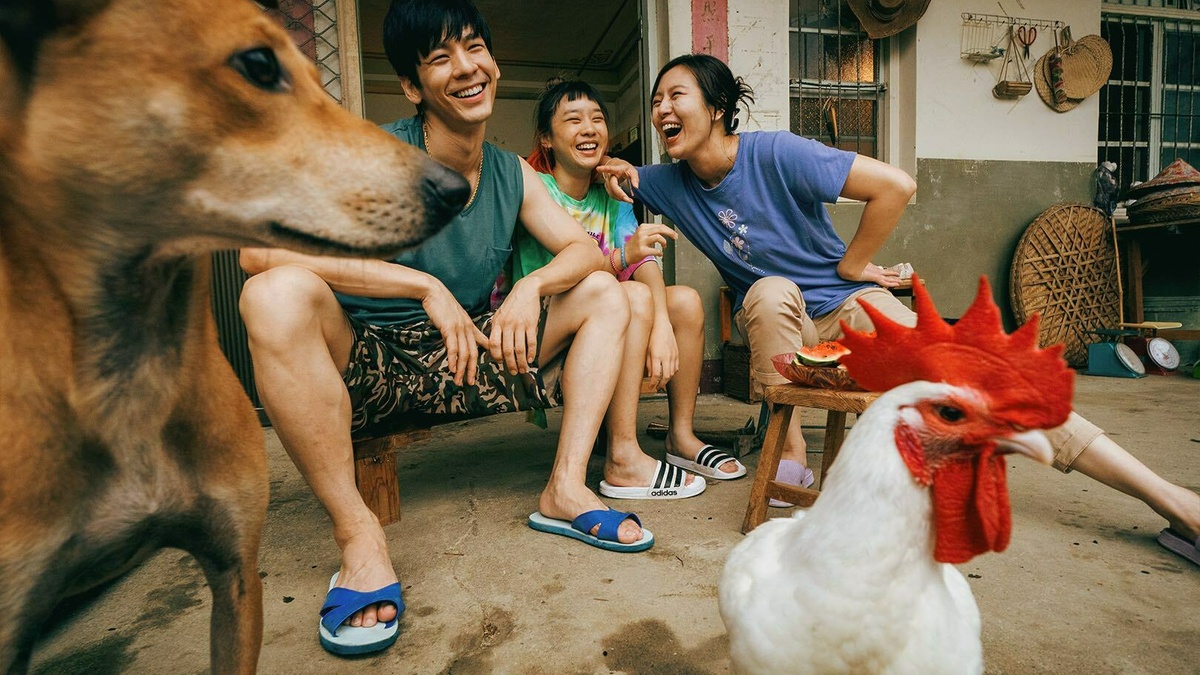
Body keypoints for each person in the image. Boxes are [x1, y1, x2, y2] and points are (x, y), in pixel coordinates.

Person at [598, 53, 1200, 562]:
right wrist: (612, 168)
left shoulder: (777, 153)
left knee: (987, 377)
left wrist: (854, 267)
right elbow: (603, 179)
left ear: (720, 107)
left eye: (675, 95)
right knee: (768, 290)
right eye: (655, 101)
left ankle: (1171, 499)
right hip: (781, 318)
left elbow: (896, 186)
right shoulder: (665, 182)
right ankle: (791, 459)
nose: (660, 110)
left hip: (851, 306)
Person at [239, 0, 660, 656]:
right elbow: (258, 250)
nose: (466, 69)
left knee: (604, 290)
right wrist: (420, 284)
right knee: (272, 294)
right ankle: (359, 538)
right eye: (441, 58)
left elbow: (579, 250)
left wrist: (530, 285)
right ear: (413, 86)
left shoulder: (510, 172)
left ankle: (566, 487)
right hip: (374, 360)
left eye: (474, 49)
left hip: (476, 350)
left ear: (494, 62)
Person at [506, 77, 745, 490]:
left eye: (597, 118)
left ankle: (681, 437)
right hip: (549, 325)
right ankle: (623, 453)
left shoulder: (611, 195)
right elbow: (594, 271)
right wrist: (624, 264)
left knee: (684, 301)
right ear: (546, 138)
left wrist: (663, 327)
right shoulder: (536, 189)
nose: (589, 128)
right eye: (573, 119)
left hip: (608, 313)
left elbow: (643, 259)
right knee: (628, 292)